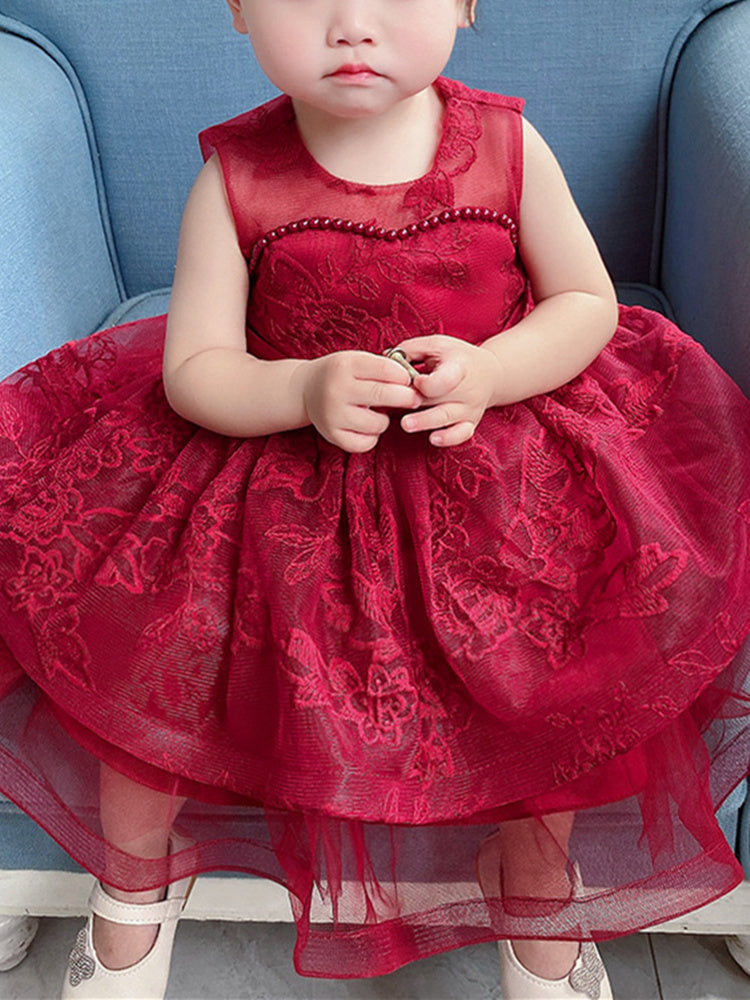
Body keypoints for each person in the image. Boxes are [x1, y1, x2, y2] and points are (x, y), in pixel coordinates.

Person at [0, 1, 749, 997]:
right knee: (154, 631)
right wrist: (300, 389)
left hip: (497, 454)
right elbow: (197, 368)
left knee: (562, 639)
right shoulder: (234, 177)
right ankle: (136, 878)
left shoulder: (507, 146)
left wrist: (493, 369)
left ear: (465, 4)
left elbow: (585, 302)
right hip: (281, 465)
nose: (352, 24)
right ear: (239, 9)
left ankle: (536, 876)